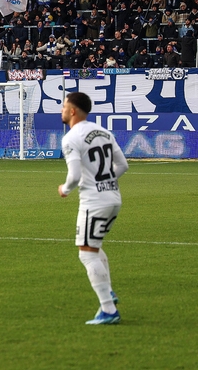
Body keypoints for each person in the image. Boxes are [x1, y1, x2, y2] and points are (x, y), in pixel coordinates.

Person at [58, 91, 129, 325]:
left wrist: (65, 189)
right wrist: (106, 182)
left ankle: (108, 309)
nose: (62, 109)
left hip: (94, 202)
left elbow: (75, 175)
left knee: (86, 254)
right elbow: (123, 165)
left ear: (73, 110)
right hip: (113, 197)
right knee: (94, 247)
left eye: (64, 106)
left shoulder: (71, 137)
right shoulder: (104, 131)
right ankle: (107, 292)